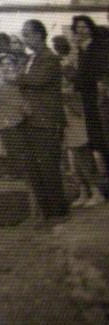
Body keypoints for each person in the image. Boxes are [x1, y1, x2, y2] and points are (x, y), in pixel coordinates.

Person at [15, 20, 69, 222]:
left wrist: (17, 77)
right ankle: (47, 212)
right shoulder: (30, 58)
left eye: (28, 34)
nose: (25, 38)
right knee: (34, 169)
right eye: (24, 34)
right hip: (29, 120)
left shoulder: (49, 58)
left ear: (39, 35)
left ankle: (58, 212)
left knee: (48, 167)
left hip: (46, 120)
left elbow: (36, 80)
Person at [53, 35, 106, 208]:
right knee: (73, 156)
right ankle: (85, 190)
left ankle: (95, 190)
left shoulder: (68, 65)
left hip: (75, 112)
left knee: (81, 152)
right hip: (65, 113)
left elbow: (78, 84)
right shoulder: (63, 63)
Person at [71, 15, 109, 170]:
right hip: (86, 97)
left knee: (104, 132)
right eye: (78, 27)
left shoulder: (98, 48)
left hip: (98, 95)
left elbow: (98, 73)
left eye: (84, 27)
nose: (81, 30)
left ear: (91, 29)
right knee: (96, 134)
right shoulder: (79, 49)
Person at [0, 53, 29, 182]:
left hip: (21, 120)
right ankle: (18, 175)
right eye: (3, 65)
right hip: (5, 122)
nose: (6, 67)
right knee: (10, 148)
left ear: (15, 65)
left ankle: (25, 175)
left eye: (9, 63)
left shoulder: (21, 81)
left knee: (22, 148)